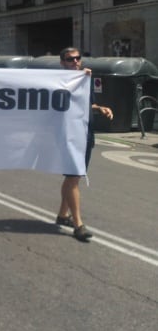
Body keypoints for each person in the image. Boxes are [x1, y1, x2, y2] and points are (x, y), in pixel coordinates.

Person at [57, 47, 113, 242]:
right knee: (73, 175)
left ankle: (63, 214)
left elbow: (87, 104)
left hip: (86, 133)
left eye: (77, 58)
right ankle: (78, 224)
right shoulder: (58, 81)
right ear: (62, 63)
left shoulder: (85, 80)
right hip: (69, 134)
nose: (75, 62)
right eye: (70, 59)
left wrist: (100, 108)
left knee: (75, 176)